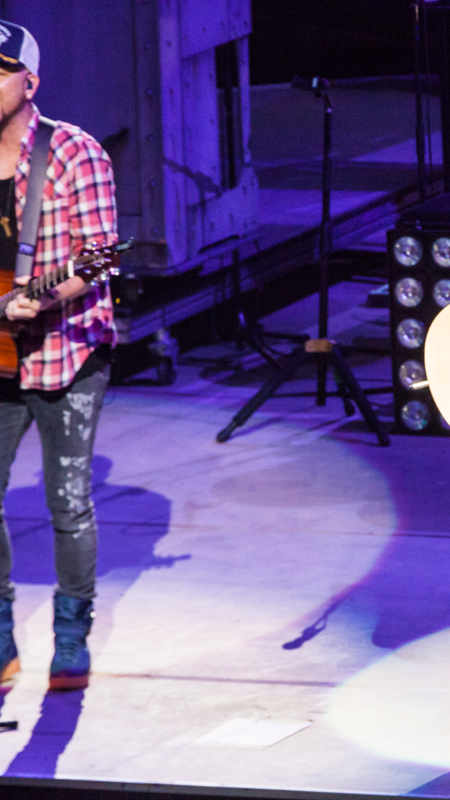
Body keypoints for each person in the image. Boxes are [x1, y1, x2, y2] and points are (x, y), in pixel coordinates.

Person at [0, 20, 119, 692]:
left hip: (63, 353)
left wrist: (42, 299)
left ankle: (71, 636)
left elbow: (100, 257)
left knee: (66, 502)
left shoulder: (71, 153)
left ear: (30, 82)